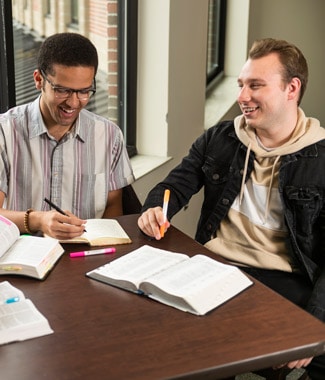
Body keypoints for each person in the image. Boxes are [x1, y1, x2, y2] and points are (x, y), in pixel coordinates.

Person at [138, 38, 325, 379]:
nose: (242, 97)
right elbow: (174, 186)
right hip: (215, 267)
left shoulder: (321, 158)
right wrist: (155, 207)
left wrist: (313, 323)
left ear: (291, 88)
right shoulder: (220, 138)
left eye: (256, 85)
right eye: (241, 85)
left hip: (285, 281)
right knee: (164, 342)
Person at [0, 33, 134, 240]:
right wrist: (39, 220)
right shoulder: (5, 132)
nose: (73, 103)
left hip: (84, 257)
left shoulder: (109, 135)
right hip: (23, 256)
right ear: (38, 80)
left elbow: (112, 208)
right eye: (62, 90)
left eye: (84, 92)